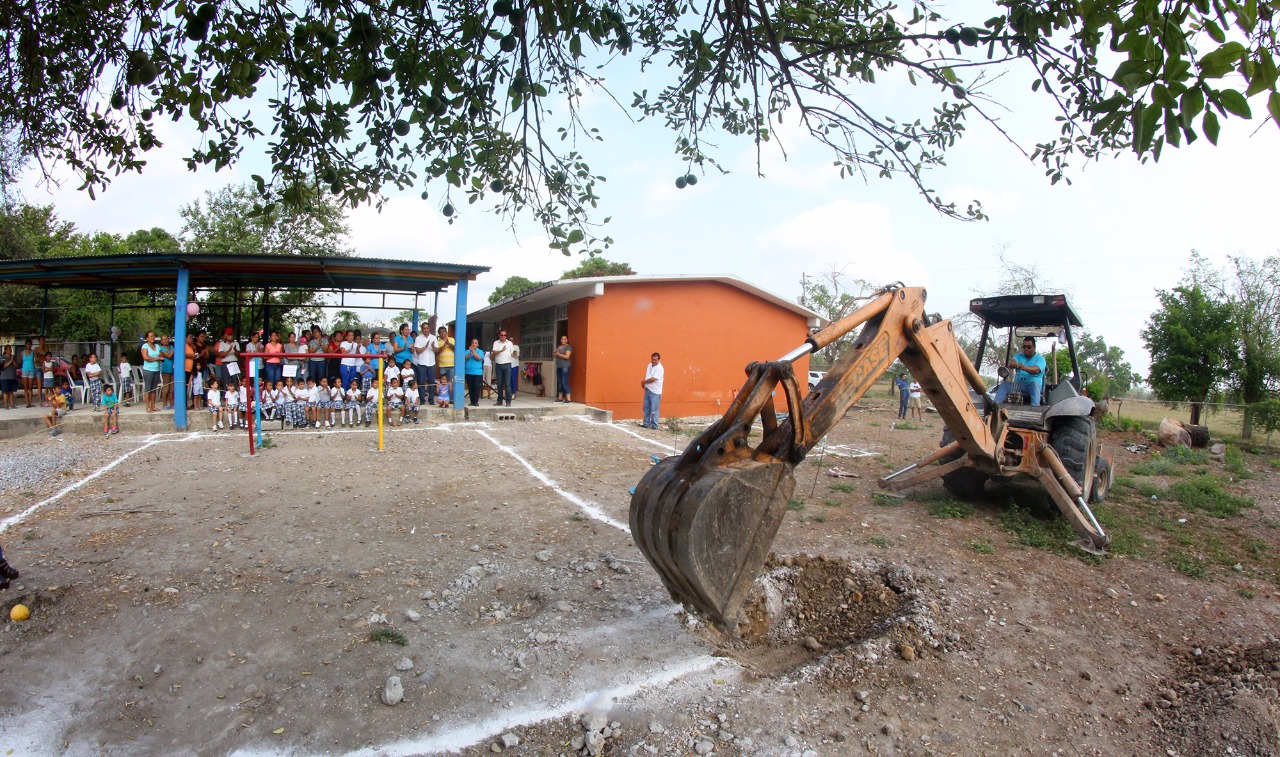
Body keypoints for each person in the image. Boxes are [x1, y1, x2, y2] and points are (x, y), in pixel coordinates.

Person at [993, 336, 1047, 406]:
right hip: (1019, 386)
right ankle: (995, 407)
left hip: (1031, 388)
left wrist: (1024, 367)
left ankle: (1035, 408)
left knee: (1034, 384)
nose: (1026, 349)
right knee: (1004, 384)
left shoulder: (1040, 359)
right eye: (1024, 347)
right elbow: (1011, 364)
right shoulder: (1019, 356)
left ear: (1034, 347)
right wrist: (1016, 365)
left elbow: (1036, 369)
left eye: (1029, 347)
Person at [412, 325, 437, 405]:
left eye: (427, 328)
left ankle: (431, 399)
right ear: (422, 329)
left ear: (429, 329)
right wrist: (425, 347)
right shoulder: (418, 338)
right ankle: (422, 399)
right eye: (424, 328)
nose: (426, 330)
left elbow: (437, 350)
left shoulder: (433, 337)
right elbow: (418, 351)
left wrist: (432, 346)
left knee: (432, 382)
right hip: (421, 363)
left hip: (431, 363)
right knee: (421, 382)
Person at [141, 331, 163, 413]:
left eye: (153, 336)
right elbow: (146, 357)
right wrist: (157, 359)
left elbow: (161, 356)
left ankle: (153, 406)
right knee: (148, 388)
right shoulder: (145, 346)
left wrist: (159, 358)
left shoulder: (157, 346)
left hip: (156, 369)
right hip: (148, 370)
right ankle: (147, 406)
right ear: (147, 338)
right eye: (151, 336)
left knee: (154, 389)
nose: (153, 337)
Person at [491, 330, 514, 406]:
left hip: (507, 364)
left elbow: (512, 353)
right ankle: (499, 401)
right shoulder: (496, 343)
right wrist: (501, 350)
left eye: (505, 335)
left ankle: (508, 401)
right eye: (502, 335)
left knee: (507, 384)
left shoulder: (510, 343)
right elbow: (494, 352)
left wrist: (515, 355)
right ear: (499, 335)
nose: (503, 337)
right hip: (499, 365)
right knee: (500, 384)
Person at [641, 352, 664, 430]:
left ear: (658, 360)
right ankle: (646, 423)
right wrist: (644, 384)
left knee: (654, 409)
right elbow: (647, 375)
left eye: (655, 360)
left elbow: (653, 379)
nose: (653, 361)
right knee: (646, 407)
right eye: (652, 359)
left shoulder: (660, 368)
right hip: (648, 389)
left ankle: (654, 425)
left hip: (655, 391)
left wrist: (643, 382)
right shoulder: (649, 365)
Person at [463, 338, 484, 407]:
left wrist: (473, 351)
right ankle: (471, 401)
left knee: (476, 387)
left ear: (477, 345)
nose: (473, 344)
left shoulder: (480, 351)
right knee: (470, 387)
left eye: (475, 343)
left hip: (477, 373)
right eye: (472, 343)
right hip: (468, 372)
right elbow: (465, 358)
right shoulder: (467, 351)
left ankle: (476, 401)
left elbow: (478, 358)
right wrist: (470, 352)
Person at [20, 338, 38, 408]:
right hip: (24, 370)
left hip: (31, 370)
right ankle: (27, 402)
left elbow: (35, 360)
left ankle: (30, 402)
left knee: (30, 387)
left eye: (30, 344)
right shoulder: (22, 353)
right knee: (25, 387)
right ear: (25, 345)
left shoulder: (33, 352)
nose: (28, 345)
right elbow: (21, 361)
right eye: (27, 344)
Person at [554, 335, 572, 403]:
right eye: (562, 339)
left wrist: (558, 354)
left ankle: (568, 399)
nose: (563, 340)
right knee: (560, 382)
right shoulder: (559, 346)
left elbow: (567, 356)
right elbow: (555, 354)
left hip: (565, 367)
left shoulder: (568, 347)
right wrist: (555, 353)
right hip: (559, 366)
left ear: (567, 340)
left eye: (565, 339)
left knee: (565, 382)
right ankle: (560, 398)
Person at [159, 335, 175, 409]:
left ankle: (172, 403)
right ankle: (164, 404)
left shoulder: (171, 347)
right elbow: (169, 356)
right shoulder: (161, 348)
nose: (165, 340)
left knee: (172, 388)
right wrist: (174, 351)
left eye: (166, 339)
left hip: (173, 370)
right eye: (163, 339)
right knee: (166, 387)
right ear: (161, 341)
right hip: (165, 370)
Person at [0, 346, 17, 410]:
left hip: (12, 376)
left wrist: (13, 360)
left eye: (11, 349)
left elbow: (16, 366)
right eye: (9, 349)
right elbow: (3, 367)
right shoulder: (3, 358)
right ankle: (6, 405)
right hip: (5, 377)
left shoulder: (13, 357)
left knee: (11, 391)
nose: (10, 350)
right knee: (5, 391)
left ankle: (12, 404)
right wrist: (11, 360)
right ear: (6, 350)